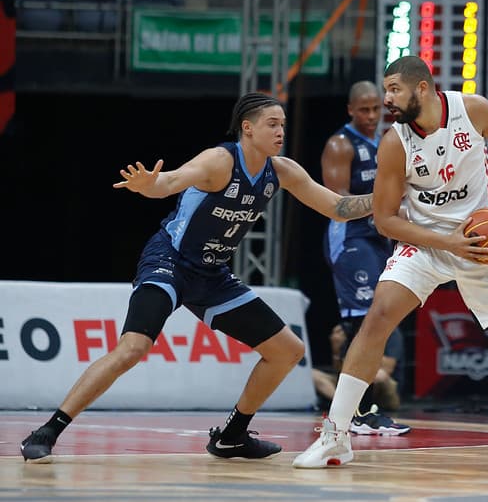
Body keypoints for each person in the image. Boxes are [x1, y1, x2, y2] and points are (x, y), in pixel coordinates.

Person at [19, 92, 374, 463]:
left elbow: (336, 207)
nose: (281, 131)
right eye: (273, 124)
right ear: (247, 128)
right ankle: (49, 429)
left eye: (283, 124)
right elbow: (170, 181)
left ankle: (232, 436)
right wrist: (149, 186)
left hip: (212, 274)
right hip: (169, 261)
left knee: (287, 350)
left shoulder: (282, 170)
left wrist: (383, 196)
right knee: (133, 348)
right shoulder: (219, 161)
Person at [294, 55, 488, 470]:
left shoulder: (472, 110)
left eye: (394, 89)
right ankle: (336, 435)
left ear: (422, 88)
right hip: (429, 242)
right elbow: (385, 219)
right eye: (385, 90)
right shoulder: (395, 142)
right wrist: (446, 242)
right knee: (376, 317)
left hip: (481, 242)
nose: (387, 98)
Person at [317, 80, 410, 435]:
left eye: (376, 109)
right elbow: (336, 200)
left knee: (377, 318)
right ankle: (356, 412)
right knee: (362, 322)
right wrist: (380, 206)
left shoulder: (386, 141)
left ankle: (360, 410)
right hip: (351, 240)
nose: (372, 115)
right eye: (364, 109)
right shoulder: (340, 144)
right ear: (351, 110)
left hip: (379, 238)